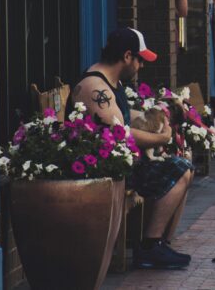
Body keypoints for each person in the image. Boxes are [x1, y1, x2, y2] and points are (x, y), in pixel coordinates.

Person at [71, 27, 194, 269]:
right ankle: (150, 246)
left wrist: (159, 117)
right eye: (139, 59)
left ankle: (159, 243)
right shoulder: (96, 87)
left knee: (183, 165)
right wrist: (161, 139)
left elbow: (124, 118)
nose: (141, 66)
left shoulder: (109, 82)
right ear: (127, 56)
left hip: (119, 160)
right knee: (179, 169)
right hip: (103, 167)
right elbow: (121, 133)